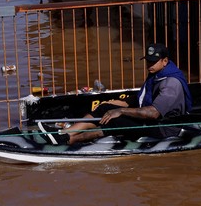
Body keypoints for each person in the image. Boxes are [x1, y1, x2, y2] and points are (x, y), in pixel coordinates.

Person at [59, 42, 192, 146]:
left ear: (165, 61)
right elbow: (141, 98)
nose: (149, 64)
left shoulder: (171, 83)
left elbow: (153, 113)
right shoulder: (157, 74)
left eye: (153, 61)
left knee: (116, 120)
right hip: (150, 120)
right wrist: (115, 104)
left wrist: (121, 111)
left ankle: (71, 140)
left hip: (163, 128)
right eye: (148, 60)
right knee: (104, 108)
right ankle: (64, 133)